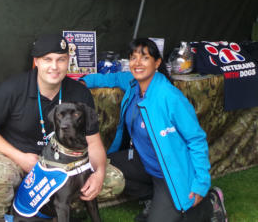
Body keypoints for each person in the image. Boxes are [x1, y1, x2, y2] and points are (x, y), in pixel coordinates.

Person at [80, 38, 228, 222]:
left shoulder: (170, 97)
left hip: (169, 172)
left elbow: (196, 140)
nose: (137, 63)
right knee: (102, 166)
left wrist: (201, 184)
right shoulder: (133, 83)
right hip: (143, 162)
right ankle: (153, 198)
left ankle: (210, 202)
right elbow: (113, 77)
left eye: (144, 58)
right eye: (133, 58)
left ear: (157, 63)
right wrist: (83, 82)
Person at [0, 34, 107, 221]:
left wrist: (99, 174)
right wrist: (20, 158)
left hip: (64, 162)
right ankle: (6, 217)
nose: (54, 66)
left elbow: (93, 141)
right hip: (18, 159)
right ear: (36, 62)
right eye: (47, 59)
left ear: (68, 62)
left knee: (112, 179)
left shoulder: (79, 92)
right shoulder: (12, 89)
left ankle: (59, 208)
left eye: (61, 60)